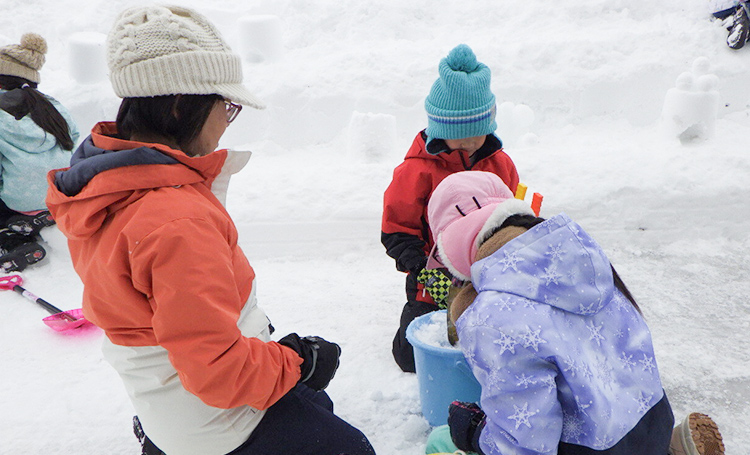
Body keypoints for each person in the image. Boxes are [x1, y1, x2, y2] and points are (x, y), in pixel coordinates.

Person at [45, 6, 375, 455]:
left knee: (317, 404)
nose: (227, 121)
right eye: (227, 106)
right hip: (213, 422)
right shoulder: (175, 220)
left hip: (165, 401)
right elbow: (219, 372)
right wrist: (299, 361)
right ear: (182, 105)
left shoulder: (101, 183)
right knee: (349, 447)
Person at [422, 171, 725, 455]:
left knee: (440, 442)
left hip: (593, 449)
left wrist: (473, 431)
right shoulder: (577, 255)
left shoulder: (490, 317)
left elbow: (525, 446)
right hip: (653, 421)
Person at [382, 44, 520, 373]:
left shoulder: (500, 164)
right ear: (444, 130)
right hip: (434, 275)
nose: (473, 142)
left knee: (499, 338)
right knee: (415, 356)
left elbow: (511, 215)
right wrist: (421, 268)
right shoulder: (415, 172)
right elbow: (396, 230)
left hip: (488, 273)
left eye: (479, 132)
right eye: (463, 135)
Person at [0, 32, 78, 272]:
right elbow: (74, 144)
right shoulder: (54, 107)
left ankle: (10, 237)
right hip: (59, 194)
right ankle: (36, 218)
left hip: (16, 199)